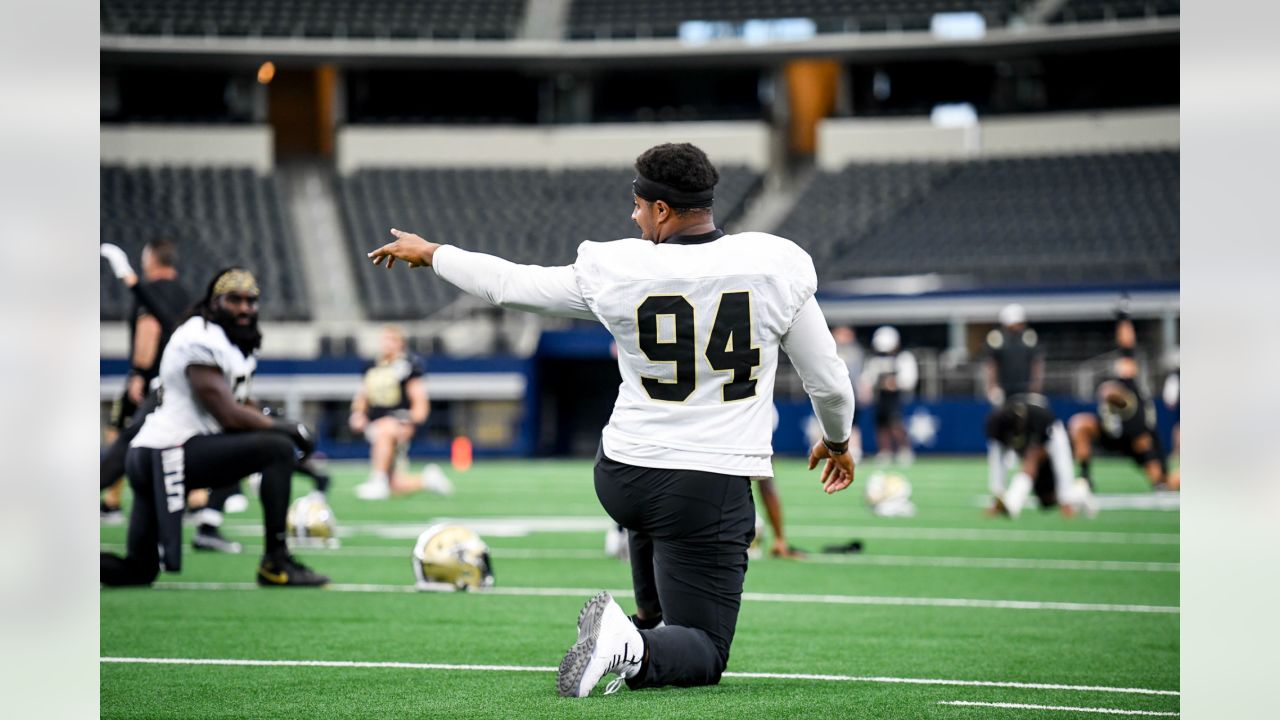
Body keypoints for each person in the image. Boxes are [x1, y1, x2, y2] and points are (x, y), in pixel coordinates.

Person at [367, 142, 855, 697]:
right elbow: (829, 381)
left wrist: (434, 252)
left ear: (663, 210)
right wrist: (837, 440)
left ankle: (642, 628)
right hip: (703, 485)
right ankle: (631, 644)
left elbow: (510, 284)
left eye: (640, 204)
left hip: (622, 474)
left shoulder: (620, 267)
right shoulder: (774, 263)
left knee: (658, 552)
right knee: (705, 650)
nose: (634, 215)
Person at [99, 268, 329, 587]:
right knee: (274, 449)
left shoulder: (228, 339)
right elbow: (227, 414)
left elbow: (239, 402)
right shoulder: (200, 336)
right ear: (213, 301)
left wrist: (268, 418)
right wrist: (286, 427)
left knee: (138, 571)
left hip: (156, 454)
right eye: (234, 299)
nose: (245, 308)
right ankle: (276, 562)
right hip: (167, 452)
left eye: (251, 300)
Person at [99, 239, 191, 521]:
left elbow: (148, 329)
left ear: (152, 258)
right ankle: (195, 501)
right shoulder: (185, 294)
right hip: (177, 381)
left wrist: (138, 373)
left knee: (120, 432)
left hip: (151, 380)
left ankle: (112, 501)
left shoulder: (149, 292)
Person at [1067, 301, 1177, 491]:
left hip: (1137, 443)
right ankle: (1085, 476)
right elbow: (1126, 347)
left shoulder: (1135, 408)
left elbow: (1144, 437)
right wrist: (1123, 318)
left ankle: (1168, 480)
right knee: (1080, 424)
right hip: (1111, 434)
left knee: (1163, 481)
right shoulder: (1121, 379)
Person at [350, 325, 453, 500]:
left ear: (401, 344)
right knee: (396, 485)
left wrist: (412, 420)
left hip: (398, 421)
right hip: (375, 422)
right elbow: (363, 396)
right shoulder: (372, 366)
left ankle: (378, 480)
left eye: (393, 340)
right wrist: (358, 414)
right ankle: (428, 479)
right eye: (385, 339)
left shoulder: (407, 366)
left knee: (384, 429)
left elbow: (419, 399)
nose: (388, 344)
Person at [985, 393, 1095, 518]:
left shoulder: (1039, 419)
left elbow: (1061, 460)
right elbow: (997, 462)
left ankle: (1012, 505)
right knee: (1046, 501)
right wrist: (997, 494)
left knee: (1054, 492)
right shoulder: (998, 427)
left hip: (1051, 447)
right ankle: (1081, 490)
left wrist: (1066, 497)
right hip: (1035, 453)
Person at [860, 325, 917, 465]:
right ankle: (885, 451)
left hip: (895, 398)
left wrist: (894, 383)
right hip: (880, 397)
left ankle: (904, 449)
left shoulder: (903, 358)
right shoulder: (875, 360)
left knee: (896, 423)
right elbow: (867, 378)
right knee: (881, 425)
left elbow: (909, 380)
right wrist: (866, 389)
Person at [985, 303, 1045, 406]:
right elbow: (992, 364)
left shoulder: (1029, 337)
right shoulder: (997, 338)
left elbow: (1036, 362)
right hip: (1004, 387)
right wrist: (992, 386)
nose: (1018, 326)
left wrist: (1036, 384)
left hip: (1025, 387)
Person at [832, 326, 866, 462]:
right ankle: (829, 451)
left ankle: (855, 451)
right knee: (828, 422)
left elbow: (861, 374)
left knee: (853, 424)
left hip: (851, 392)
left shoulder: (856, 351)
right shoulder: (830, 349)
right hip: (832, 393)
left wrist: (863, 389)